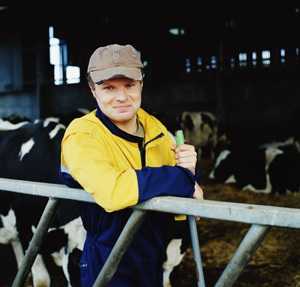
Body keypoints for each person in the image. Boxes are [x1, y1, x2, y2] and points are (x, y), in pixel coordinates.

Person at [60, 43, 203, 287]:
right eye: (109, 88)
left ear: (141, 84)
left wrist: (189, 177)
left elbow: (190, 207)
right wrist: (180, 178)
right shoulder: (82, 135)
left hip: (153, 258)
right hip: (107, 262)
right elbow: (113, 192)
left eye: (129, 85)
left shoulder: (157, 130)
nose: (122, 97)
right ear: (93, 90)